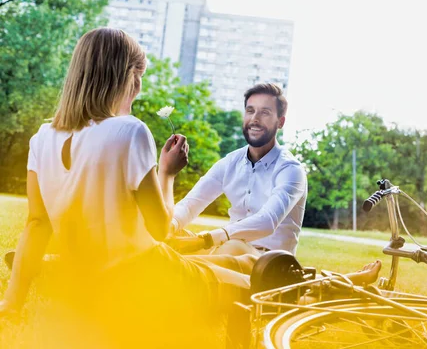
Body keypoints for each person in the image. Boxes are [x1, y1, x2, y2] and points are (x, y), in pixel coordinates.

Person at [0, 28, 256, 348]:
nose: (138, 90)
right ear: (127, 77)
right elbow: (161, 229)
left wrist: (12, 303)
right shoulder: (129, 131)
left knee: (231, 261)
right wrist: (168, 173)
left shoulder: (42, 137)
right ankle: (260, 265)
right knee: (250, 282)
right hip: (151, 278)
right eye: (139, 77)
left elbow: (37, 224)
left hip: (90, 282)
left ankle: (246, 258)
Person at [164, 83, 307, 256]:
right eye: (250, 110)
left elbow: (267, 221)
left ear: (280, 122)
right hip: (227, 248)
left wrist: (208, 239)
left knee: (230, 247)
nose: (255, 118)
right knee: (169, 238)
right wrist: (169, 226)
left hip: (269, 263)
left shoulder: (290, 170)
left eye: (265, 112)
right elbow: (190, 205)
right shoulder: (230, 162)